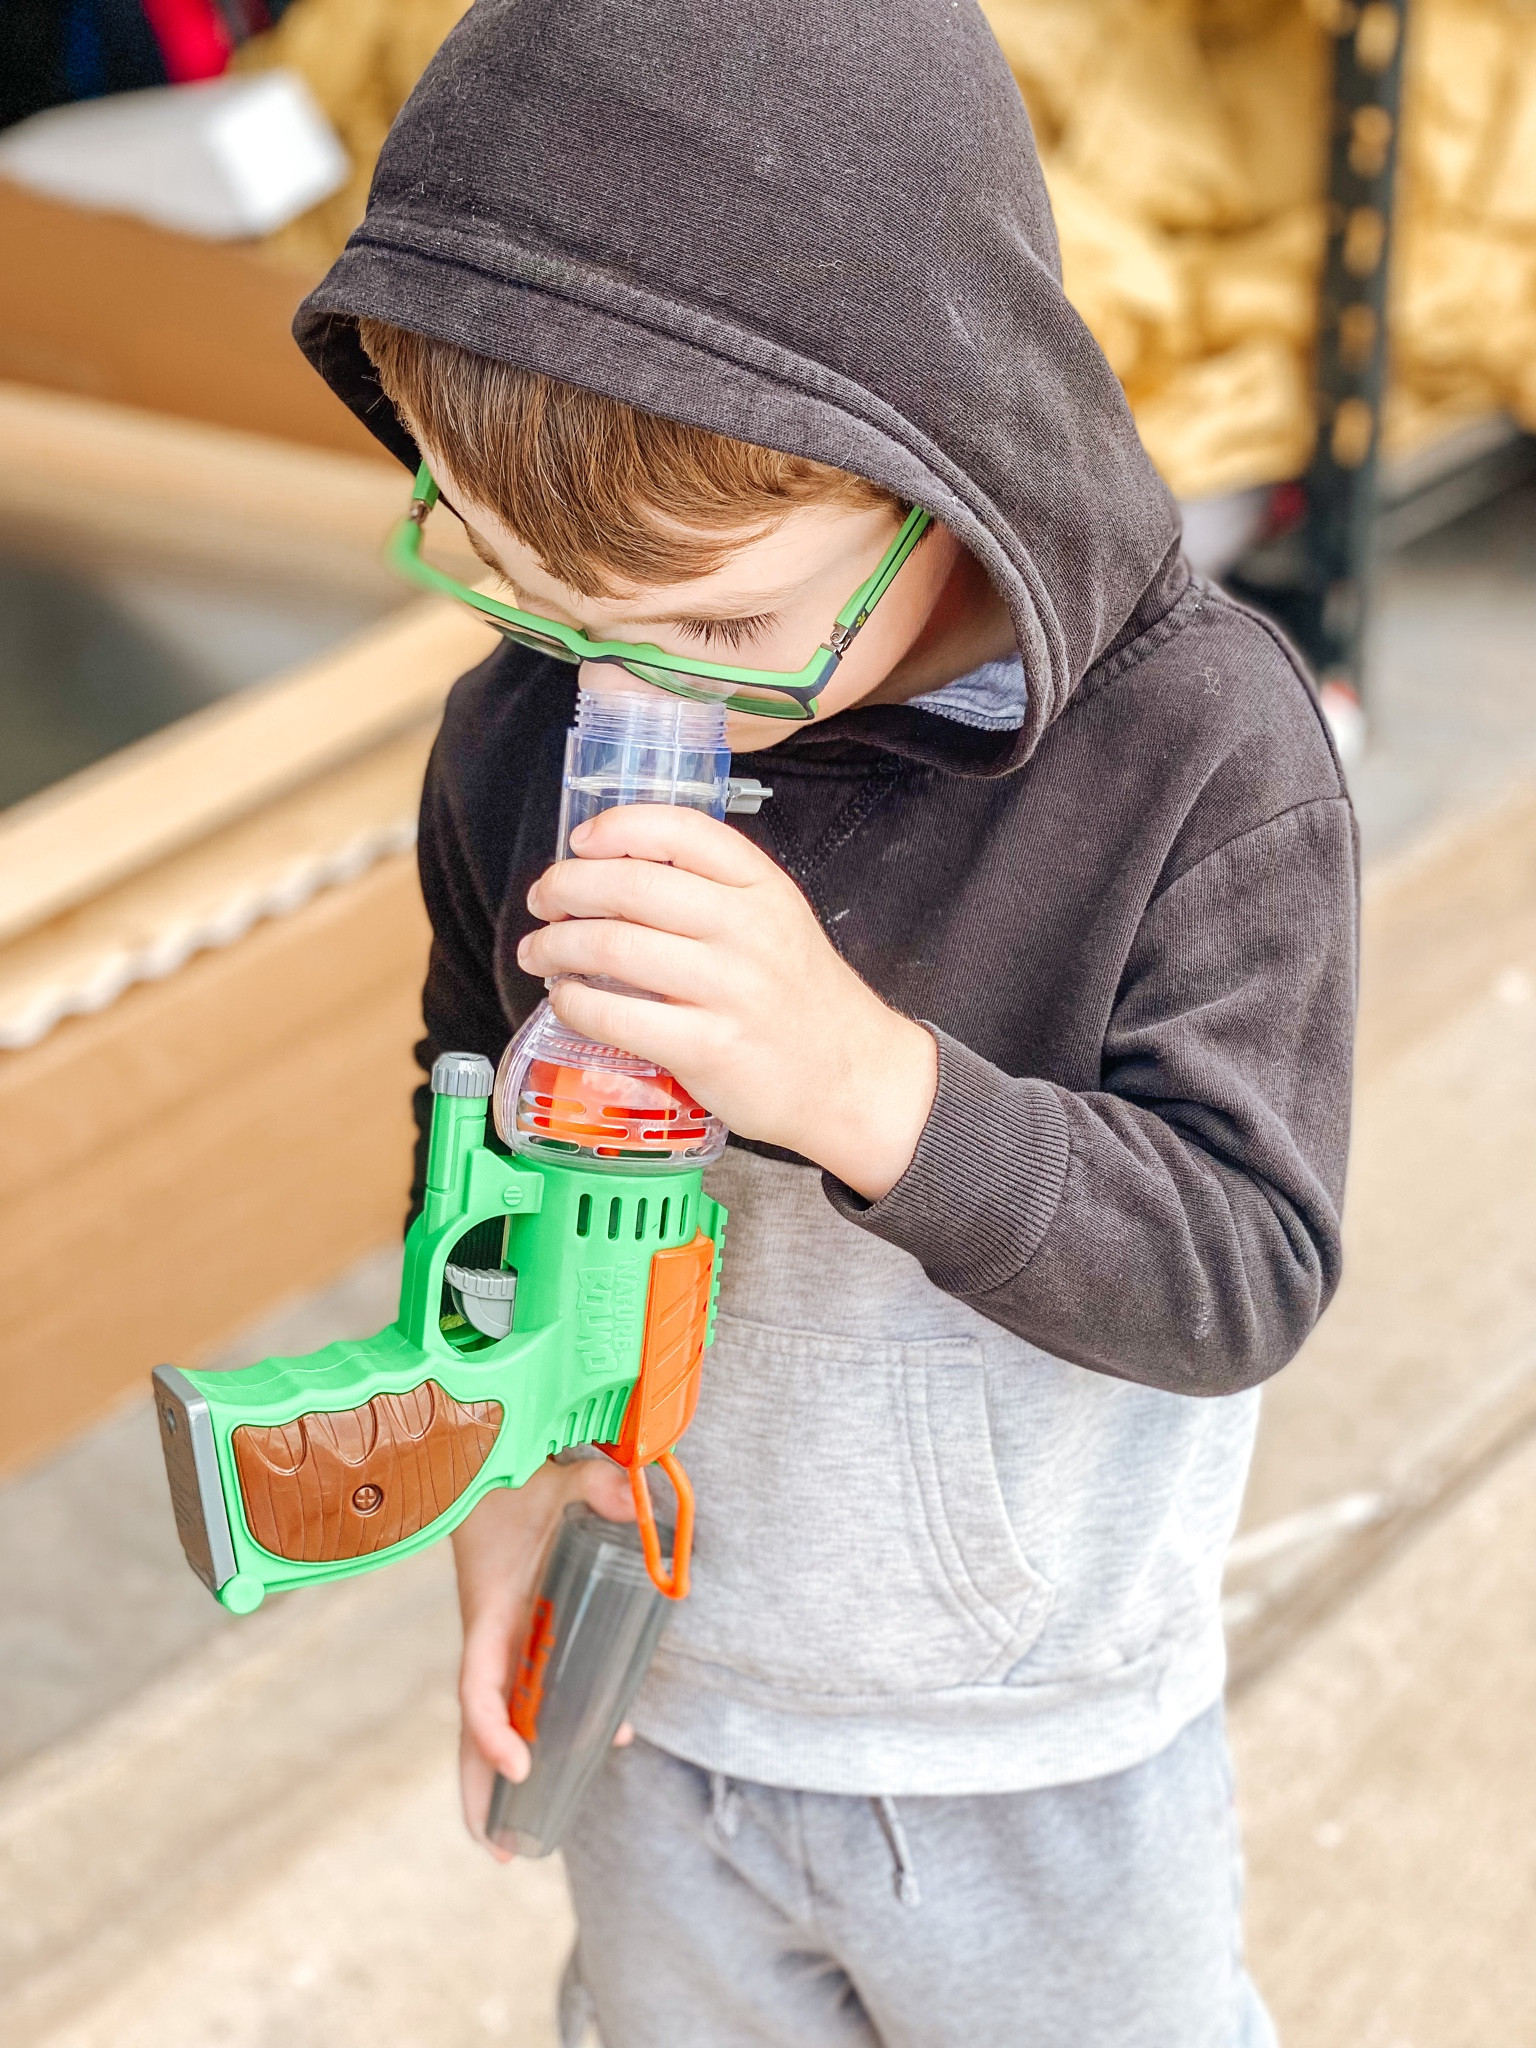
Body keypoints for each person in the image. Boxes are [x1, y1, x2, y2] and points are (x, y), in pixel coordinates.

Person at [294, 3, 1356, 2041]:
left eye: (715, 631)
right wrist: (500, 1486)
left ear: (944, 452)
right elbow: (469, 1112)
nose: (620, 678)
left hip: (1034, 1755)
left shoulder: (1195, 759)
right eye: (523, 590)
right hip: (657, 1704)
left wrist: (867, 1087)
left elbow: (1247, 1264)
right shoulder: (524, 725)